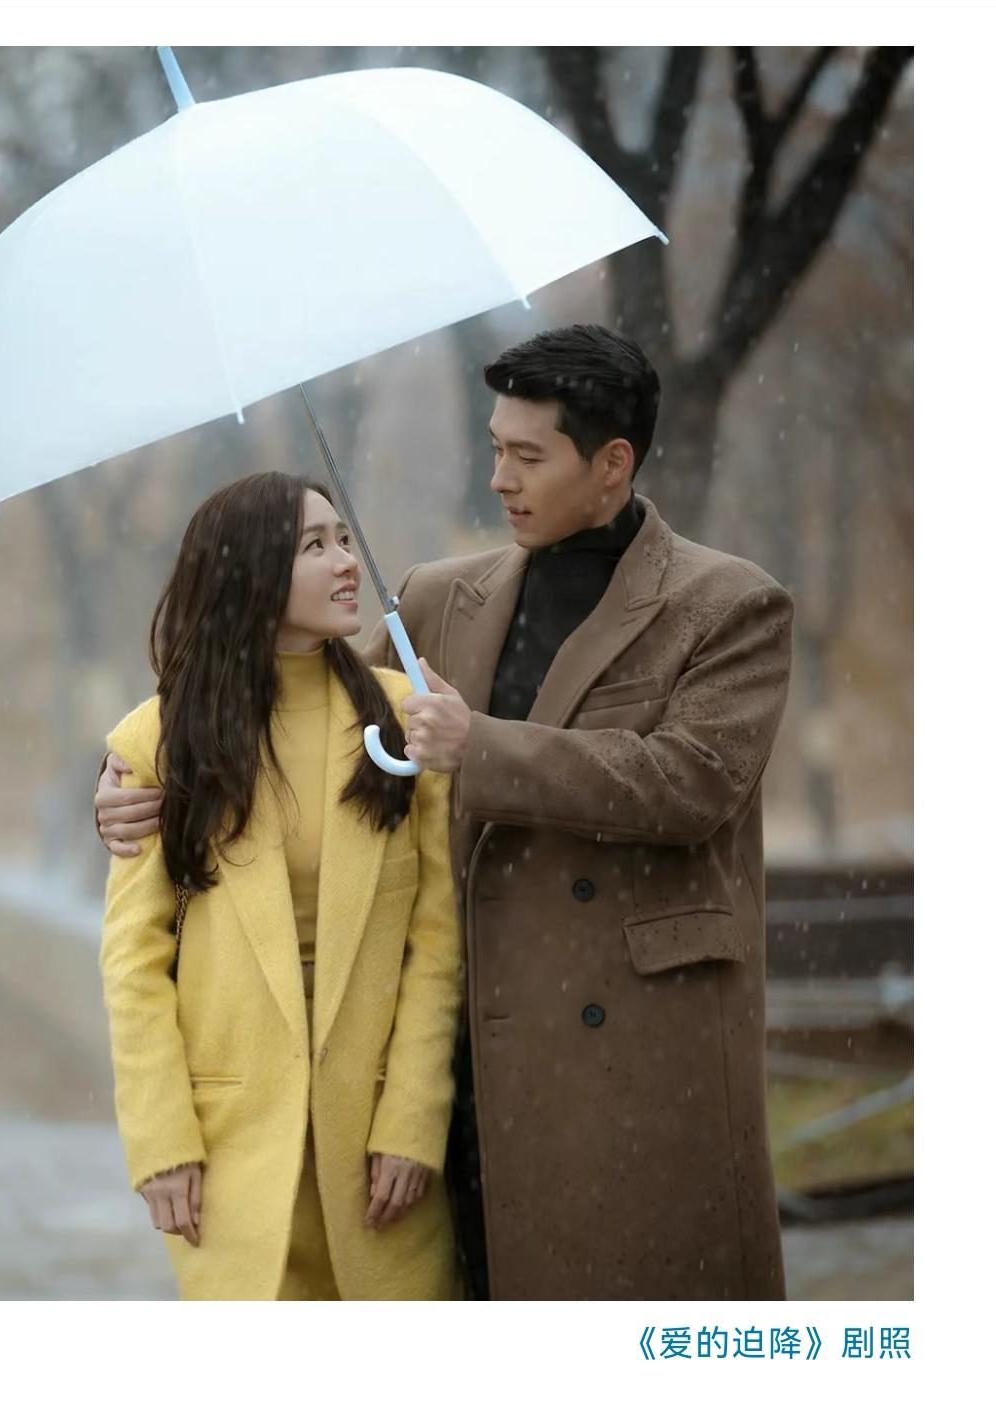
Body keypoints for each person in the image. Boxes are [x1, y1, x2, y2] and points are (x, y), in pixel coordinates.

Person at [97, 324, 794, 1300]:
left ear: (611, 463)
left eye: (528, 456)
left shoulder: (727, 605)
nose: (499, 477)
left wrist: (483, 746)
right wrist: (130, 785)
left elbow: (693, 782)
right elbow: (285, 723)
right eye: (495, 447)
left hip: (628, 1051)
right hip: (464, 1050)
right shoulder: (434, 598)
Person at [98, 471, 462, 1300]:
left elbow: (437, 944)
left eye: (344, 539)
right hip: (229, 1151)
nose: (346, 562)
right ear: (252, 571)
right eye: (314, 546)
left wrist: (413, 1116)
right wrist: (161, 1140)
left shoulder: (406, 722)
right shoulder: (163, 740)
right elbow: (133, 963)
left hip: (378, 1152)